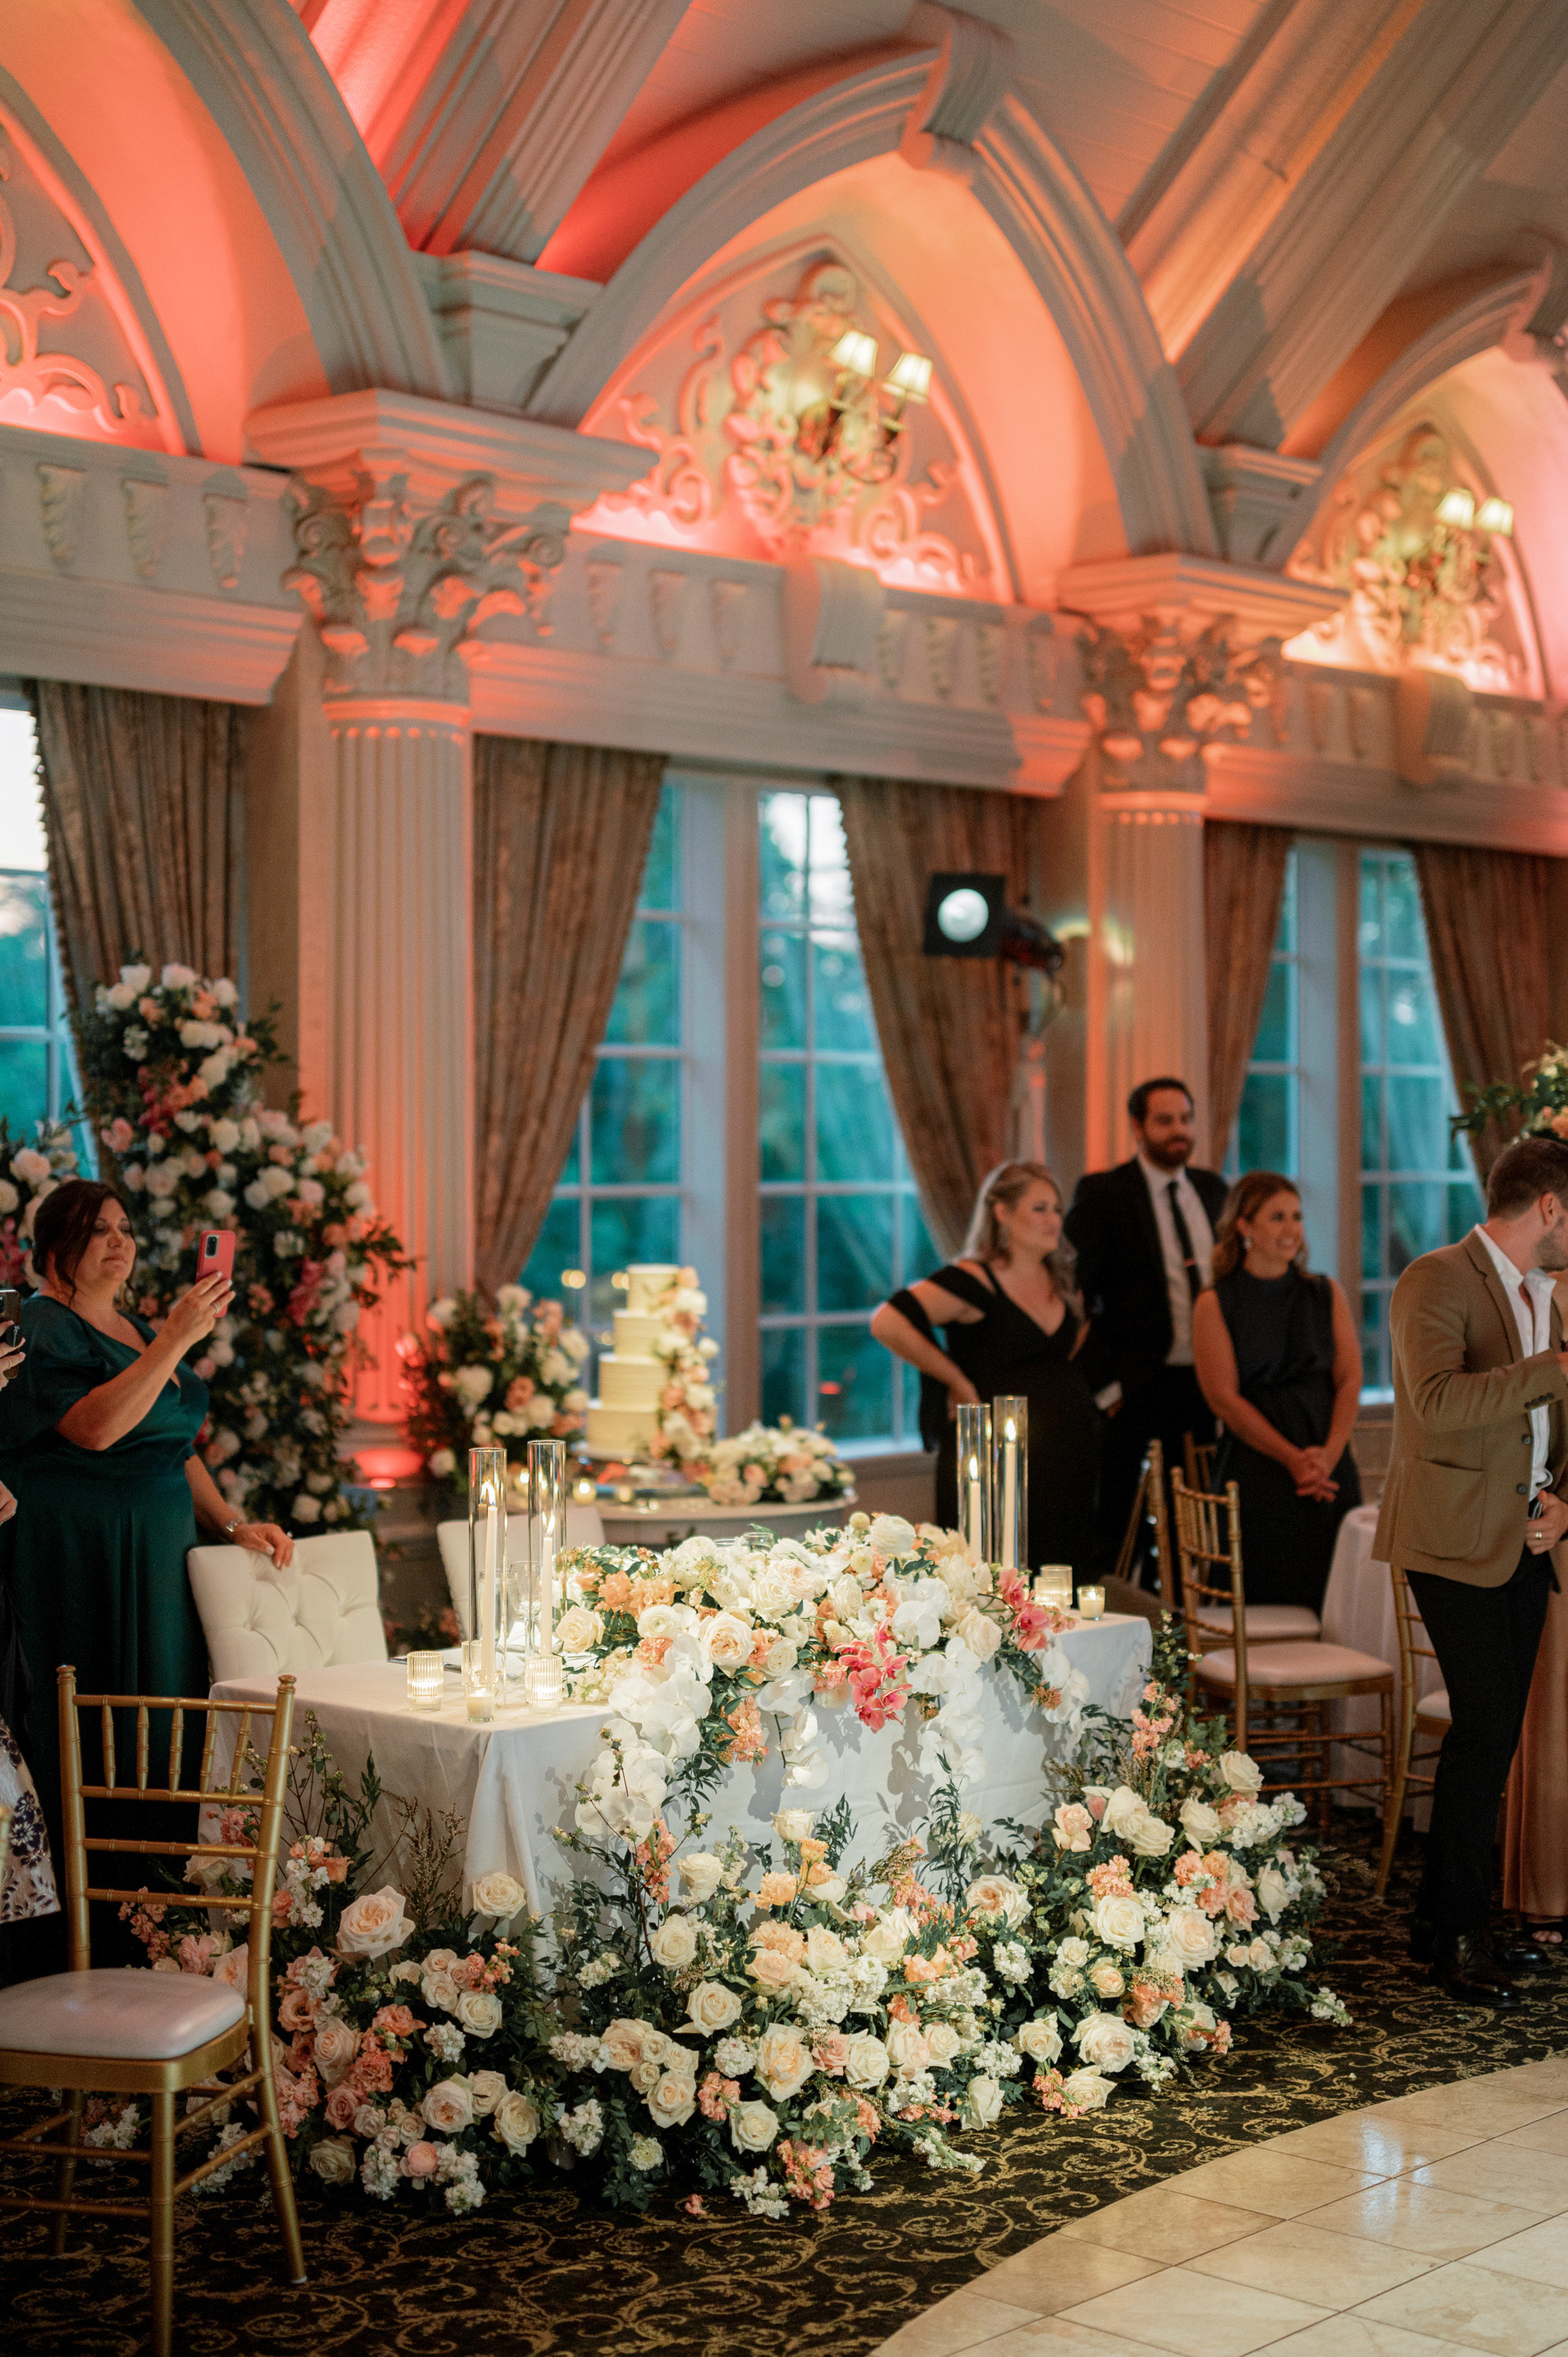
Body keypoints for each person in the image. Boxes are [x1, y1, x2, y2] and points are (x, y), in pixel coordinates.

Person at [0, 1179, 294, 1873]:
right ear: (52, 1248)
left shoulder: (136, 1331)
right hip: (81, 1555)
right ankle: (91, 1903)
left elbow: (171, 1444)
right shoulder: (39, 1325)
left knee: (165, 1714)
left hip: (164, 1552)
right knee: (96, 1720)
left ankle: (163, 1900)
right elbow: (98, 1429)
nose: (118, 1241)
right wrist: (174, 1338)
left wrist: (229, 1522)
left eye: (125, 1228)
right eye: (96, 1230)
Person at [1376, 1134, 1568, 2003]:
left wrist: (1563, 1503)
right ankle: (1455, 1933)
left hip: (1525, 1544)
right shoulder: (1435, 1277)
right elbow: (1437, 1404)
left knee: (1491, 1742)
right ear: (1550, 1209)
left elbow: (1552, 1429)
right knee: (1482, 1736)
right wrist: (1549, 1369)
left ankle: (1444, 1921)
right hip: (1450, 1540)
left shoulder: (1546, 1295)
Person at [869, 1161, 1103, 1574]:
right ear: (1003, 1213)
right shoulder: (972, 1280)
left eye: (1057, 1209)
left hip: (1067, 1454)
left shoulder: (1062, 1278)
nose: (1054, 1220)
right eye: (1040, 1208)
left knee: (1064, 1574)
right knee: (994, 1579)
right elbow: (887, 1321)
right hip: (994, 1454)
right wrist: (956, 1380)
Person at [1064, 1077, 1229, 1571]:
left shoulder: (1212, 1189)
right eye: (1164, 1120)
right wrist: (1106, 1389)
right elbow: (1073, 1297)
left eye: (1185, 1118)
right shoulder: (1104, 1194)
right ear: (1138, 1127)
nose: (1179, 1130)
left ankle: (1178, 1634)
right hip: (1135, 1385)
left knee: (1192, 1519)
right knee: (1116, 1523)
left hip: (1204, 1383)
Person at [1191, 1172, 1361, 1615]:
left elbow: (1348, 1378)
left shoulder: (1326, 1292)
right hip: (1259, 1466)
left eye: (1297, 1217)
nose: (1292, 1229)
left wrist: (1328, 1455)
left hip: (1328, 1462)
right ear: (1244, 1227)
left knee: (1337, 1599)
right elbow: (1224, 1399)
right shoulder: (1215, 1303)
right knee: (1265, 1593)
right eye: (1277, 1217)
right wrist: (1292, 1459)